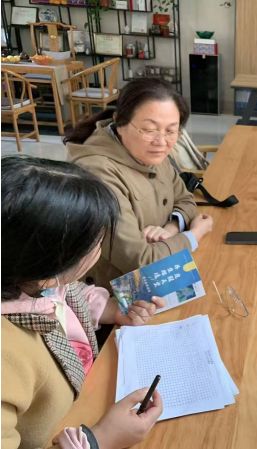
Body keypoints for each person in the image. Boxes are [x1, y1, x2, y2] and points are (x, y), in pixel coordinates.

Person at [1, 156, 165, 449]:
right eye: (95, 242)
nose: (99, 249)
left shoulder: (30, 278)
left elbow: (69, 293)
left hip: (88, 390)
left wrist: (112, 310)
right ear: (49, 265)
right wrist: (100, 438)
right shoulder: (8, 358)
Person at [64, 77, 213, 289]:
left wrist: (170, 229)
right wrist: (194, 235)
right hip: (115, 294)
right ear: (120, 123)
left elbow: (186, 199)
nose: (161, 142)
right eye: (149, 130)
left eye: (171, 131)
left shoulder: (150, 154)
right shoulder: (98, 173)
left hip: (161, 270)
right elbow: (141, 262)